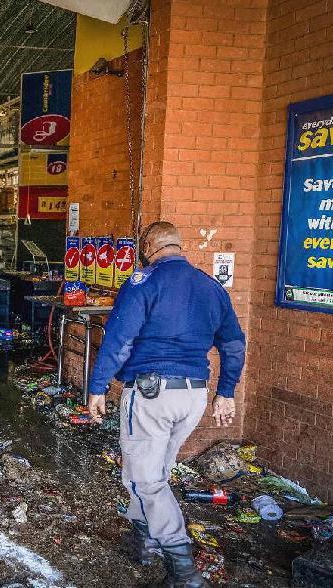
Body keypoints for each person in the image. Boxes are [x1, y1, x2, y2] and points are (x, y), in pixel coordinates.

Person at [87, 221, 245, 588]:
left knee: (146, 479)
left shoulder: (144, 282)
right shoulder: (211, 287)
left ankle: (183, 568)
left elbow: (119, 340)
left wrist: (97, 387)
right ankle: (144, 539)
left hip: (151, 394)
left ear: (147, 247)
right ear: (178, 245)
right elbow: (234, 344)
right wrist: (227, 391)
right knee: (153, 470)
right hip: (193, 395)